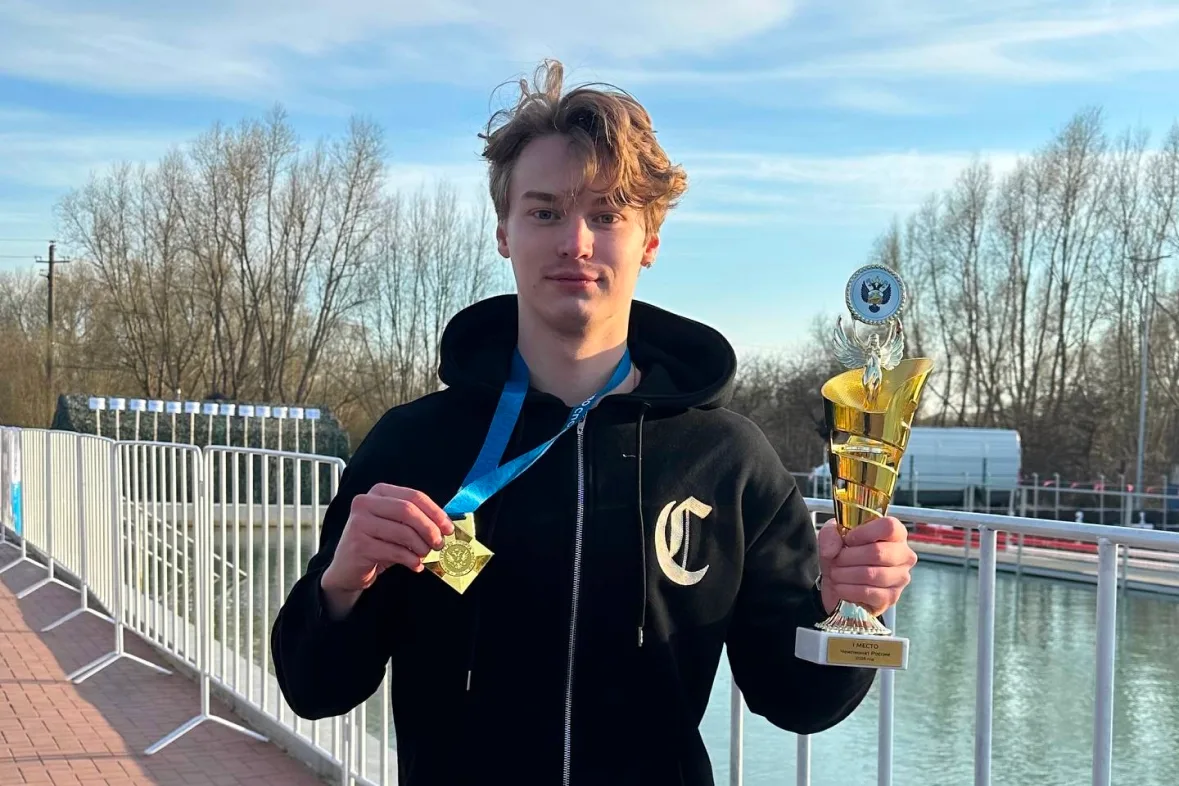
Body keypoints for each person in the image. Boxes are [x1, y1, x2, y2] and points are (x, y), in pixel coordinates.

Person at [271, 59, 918, 786]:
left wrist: (848, 610)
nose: (574, 242)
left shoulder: (727, 460)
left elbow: (797, 701)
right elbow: (314, 688)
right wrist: (341, 585)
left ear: (649, 240)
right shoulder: (414, 443)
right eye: (544, 211)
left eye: (606, 215)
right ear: (504, 232)